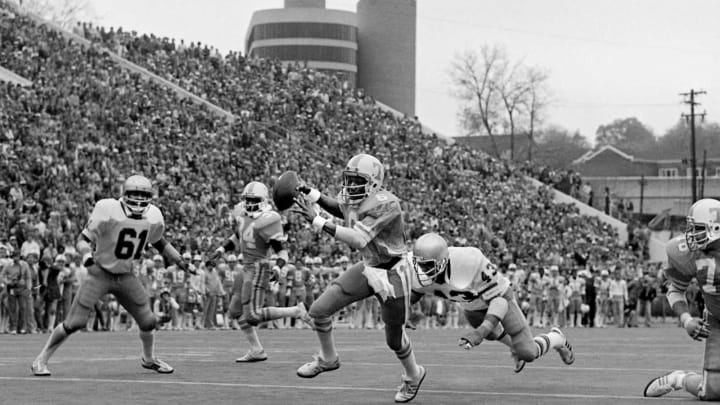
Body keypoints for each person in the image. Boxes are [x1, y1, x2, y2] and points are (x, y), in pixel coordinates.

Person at [292, 153, 426, 403]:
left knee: (394, 340)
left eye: (357, 181)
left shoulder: (387, 204)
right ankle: (328, 359)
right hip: (369, 266)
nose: (350, 186)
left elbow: (358, 239)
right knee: (319, 310)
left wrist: (317, 221)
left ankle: (413, 374)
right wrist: (313, 194)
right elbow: (341, 208)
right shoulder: (356, 197)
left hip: (393, 273)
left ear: (374, 182)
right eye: (349, 180)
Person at [31, 175, 191, 376]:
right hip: (100, 272)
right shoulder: (108, 209)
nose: (139, 199)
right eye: (135, 194)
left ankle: (149, 359)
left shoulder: (153, 216)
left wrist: (179, 260)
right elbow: (83, 238)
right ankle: (41, 359)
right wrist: (87, 256)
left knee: (148, 321)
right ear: (125, 194)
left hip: (125, 275)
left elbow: (159, 241)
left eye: (143, 195)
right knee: (75, 323)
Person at [410, 233, 575, 375]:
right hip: (471, 305)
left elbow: (499, 303)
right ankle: (513, 347)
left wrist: (479, 333)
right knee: (491, 333)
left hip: (500, 298)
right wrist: (403, 313)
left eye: (428, 265)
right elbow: (414, 292)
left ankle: (556, 338)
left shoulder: (469, 260)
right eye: (420, 264)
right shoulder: (413, 268)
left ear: (442, 261)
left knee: (528, 353)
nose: (422, 269)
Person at [212, 181, 310, 362]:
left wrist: (277, 267)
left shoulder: (269, 219)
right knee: (235, 312)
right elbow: (237, 236)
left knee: (253, 316)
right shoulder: (242, 214)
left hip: (259, 267)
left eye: (253, 199)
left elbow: (282, 251)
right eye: (247, 199)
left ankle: (295, 311)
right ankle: (256, 349)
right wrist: (221, 250)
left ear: (263, 200)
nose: (249, 203)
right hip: (245, 268)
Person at [644, 198, 720, 399]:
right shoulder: (687, 253)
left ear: (716, 228)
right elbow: (675, 288)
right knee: (712, 391)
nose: (691, 234)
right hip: (716, 321)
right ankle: (680, 379)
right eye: (691, 228)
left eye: (698, 229)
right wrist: (686, 320)